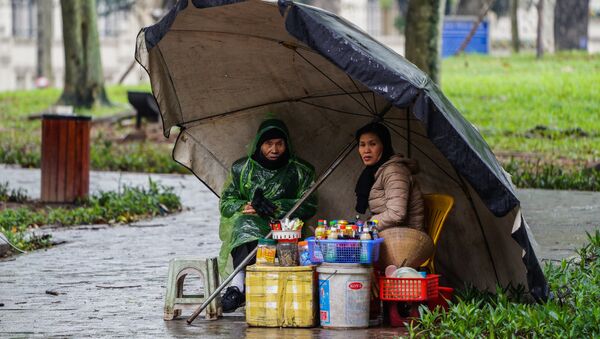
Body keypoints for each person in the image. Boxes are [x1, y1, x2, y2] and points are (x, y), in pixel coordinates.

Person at [218, 118, 317, 312]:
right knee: (244, 225)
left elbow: (310, 204)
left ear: (286, 144)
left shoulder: (301, 171)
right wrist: (244, 206)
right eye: (268, 144)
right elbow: (226, 202)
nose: (274, 149)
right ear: (259, 144)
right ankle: (237, 287)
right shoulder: (242, 169)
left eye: (279, 144)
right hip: (249, 227)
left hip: (287, 230)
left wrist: (276, 207)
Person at [354, 122, 425, 232]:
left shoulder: (394, 171)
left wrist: (367, 226)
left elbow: (396, 214)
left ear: (384, 145)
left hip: (405, 237)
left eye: (372, 144)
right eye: (362, 145)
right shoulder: (373, 172)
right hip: (389, 232)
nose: (366, 150)